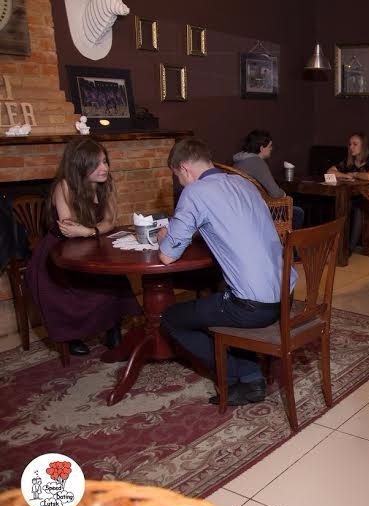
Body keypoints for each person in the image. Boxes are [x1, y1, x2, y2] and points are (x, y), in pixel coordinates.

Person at [158, 138, 297, 406]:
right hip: (284, 295)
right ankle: (249, 372)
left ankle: (242, 376)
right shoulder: (243, 182)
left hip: (253, 307)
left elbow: (167, 256)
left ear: (184, 168)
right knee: (219, 297)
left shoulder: (195, 192)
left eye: (178, 177)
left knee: (171, 318)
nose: (180, 184)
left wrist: (165, 235)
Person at [27, 137, 140, 356]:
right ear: (80, 166)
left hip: (90, 243)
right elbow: (69, 228)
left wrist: (89, 231)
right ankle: (71, 336)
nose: (104, 168)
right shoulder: (64, 186)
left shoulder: (107, 185)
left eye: (105, 161)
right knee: (66, 287)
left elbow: (109, 221)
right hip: (58, 251)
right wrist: (91, 230)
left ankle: (113, 327)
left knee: (112, 277)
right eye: (96, 164)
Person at [232, 129, 304, 229]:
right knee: (298, 212)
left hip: (240, 208)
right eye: (270, 146)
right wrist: (284, 194)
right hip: (255, 211)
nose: (271, 148)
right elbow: (275, 193)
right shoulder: (257, 162)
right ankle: (285, 240)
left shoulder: (238, 161)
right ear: (262, 148)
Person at [327, 132, 369, 249]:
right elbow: (330, 171)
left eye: (355, 144)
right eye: (350, 144)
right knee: (341, 205)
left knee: (359, 209)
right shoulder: (348, 161)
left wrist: (354, 174)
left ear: (363, 146)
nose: (351, 147)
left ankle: (349, 247)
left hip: (368, 197)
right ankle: (337, 245)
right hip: (351, 197)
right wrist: (345, 175)